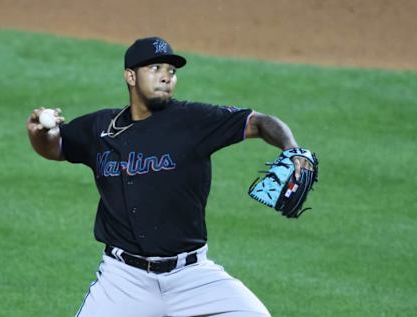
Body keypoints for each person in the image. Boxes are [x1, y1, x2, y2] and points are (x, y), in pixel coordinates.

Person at [27, 37, 313, 317]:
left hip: (192, 277)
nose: (166, 77)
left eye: (171, 71)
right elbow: (55, 147)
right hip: (123, 281)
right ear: (130, 76)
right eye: (155, 69)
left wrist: (292, 149)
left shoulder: (194, 120)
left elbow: (259, 122)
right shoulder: (100, 127)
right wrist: (41, 133)